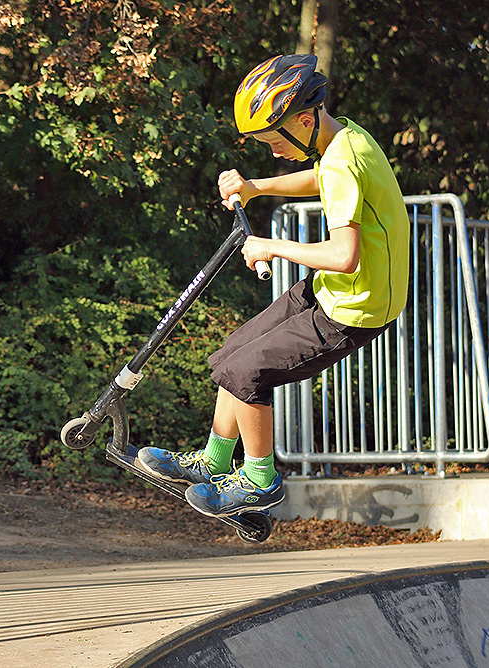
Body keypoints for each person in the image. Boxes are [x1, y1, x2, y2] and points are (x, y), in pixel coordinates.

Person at [137, 53, 410, 519]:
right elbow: (323, 179)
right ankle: (214, 461)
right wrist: (256, 187)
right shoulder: (346, 138)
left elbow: (345, 257)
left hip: (354, 310)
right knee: (231, 354)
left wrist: (272, 246)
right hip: (333, 291)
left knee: (247, 373)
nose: (271, 150)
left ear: (304, 120)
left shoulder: (342, 159)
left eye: (272, 140)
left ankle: (261, 480)